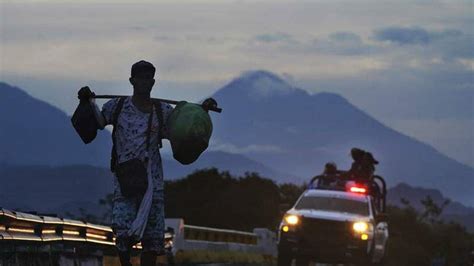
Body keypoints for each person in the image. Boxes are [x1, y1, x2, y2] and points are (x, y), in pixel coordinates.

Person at [78, 60, 214, 266]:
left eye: (149, 79)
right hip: (126, 180)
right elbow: (97, 121)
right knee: (123, 236)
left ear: (153, 82)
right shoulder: (117, 107)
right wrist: (87, 101)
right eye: (141, 78)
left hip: (153, 183)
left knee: (151, 240)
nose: (145, 83)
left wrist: (202, 111)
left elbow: (184, 127)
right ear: (132, 81)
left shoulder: (163, 111)